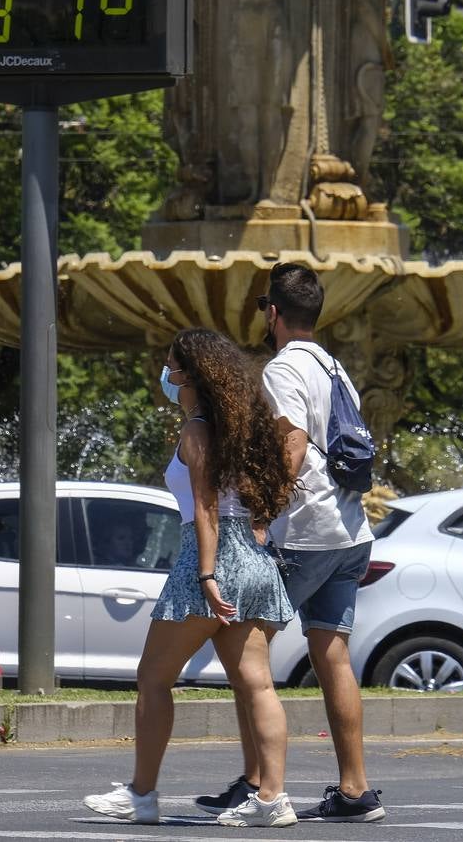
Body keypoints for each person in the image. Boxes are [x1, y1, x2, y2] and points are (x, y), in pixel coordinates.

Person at [84, 327, 299, 828]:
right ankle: (272, 798)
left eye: (171, 367)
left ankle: (141, 794)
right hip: (254, 559)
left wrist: (206, 574)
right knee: (257, 685)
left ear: (191, 376)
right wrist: (262, 522)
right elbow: (296, 442)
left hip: (211, 558)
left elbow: (204, 506)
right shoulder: (247, 427)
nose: (167, 376)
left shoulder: (198, 428)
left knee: (153, 678)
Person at [197, 261, 385, 823]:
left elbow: (293, 447)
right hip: (351, 532)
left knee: (241, 646)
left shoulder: (283, 368)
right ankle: (355, 791)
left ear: (273, 313)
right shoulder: (333, 365)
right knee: (332, 654)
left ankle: (260, 786)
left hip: (305, 531)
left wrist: (261, 518)